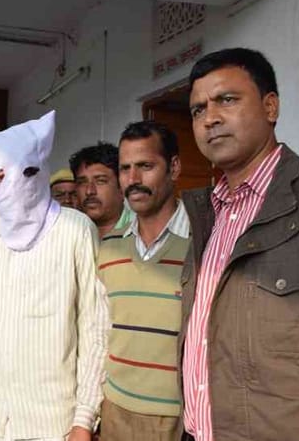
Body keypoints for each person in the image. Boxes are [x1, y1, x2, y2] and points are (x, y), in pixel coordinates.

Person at [180, 47, 299, 441]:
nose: (210, 118)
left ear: (270, 107)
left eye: (227, 99)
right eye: (198, 110)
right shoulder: (207, 213)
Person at [0, 111, 108, 441]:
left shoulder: (75, 229)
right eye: (1, 176)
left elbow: (95, 327)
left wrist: (84, 417)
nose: (15, 183)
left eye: (27, 171)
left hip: (51, 423)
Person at [97, 120, 189, 441]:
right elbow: (99, 334)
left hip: (178, 419)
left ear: (173, 168)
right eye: (125, 169)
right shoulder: (109, 248)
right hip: (114, 412)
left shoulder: (205, 244)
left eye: (146, 166)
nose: (133, 180)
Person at [70, 142, 132, 238]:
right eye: (82, 182)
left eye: (100, 181)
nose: (89, 191)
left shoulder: (142, 230)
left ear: (122, 188)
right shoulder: (67, 232)